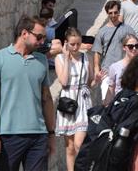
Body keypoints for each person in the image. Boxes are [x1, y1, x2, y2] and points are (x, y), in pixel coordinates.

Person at [0, 15, 56, 170]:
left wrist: (51, 134)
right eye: (39, 37)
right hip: (8, 135)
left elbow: (47, 99)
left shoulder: (41, 60)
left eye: (44, 37)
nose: (43, 41)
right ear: (24, 33)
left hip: (39, 136)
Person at [55, 27, 95, 171]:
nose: (76, 47)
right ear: (66, 43)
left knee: (79, 144)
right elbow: (64, 81)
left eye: (78, 44)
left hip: (83, 101)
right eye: (72, 44)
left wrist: (96, 79)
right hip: (68, 102)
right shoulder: (59, 58)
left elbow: (90, 82)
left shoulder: (86, 57)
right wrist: (66, 58)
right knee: (70, 146)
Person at [92, 0, 136, 101]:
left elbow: (135, 49)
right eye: (110, 13)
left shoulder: (128, 29)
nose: (113, 15)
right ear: (107, 13)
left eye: (115, 12)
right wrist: (96, 70)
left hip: (124, 71)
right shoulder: (102, 32)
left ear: (119, 12)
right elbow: (97, 52)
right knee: (107, 103)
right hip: (107, 72)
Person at [103, 34, 138, 104]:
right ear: (124, 47)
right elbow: (111, 89)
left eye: (137, 46)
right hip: (120, 105)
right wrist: (106, 107)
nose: (134, 49)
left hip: (137, 104)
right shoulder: (114, 67)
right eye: (130, 46)